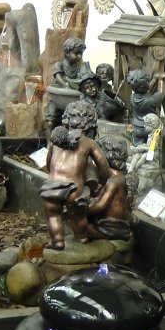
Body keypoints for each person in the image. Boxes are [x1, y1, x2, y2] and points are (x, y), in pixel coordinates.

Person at [41, 101, 111, 250]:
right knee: (78, 215)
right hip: (75, 188)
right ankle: (82, 237)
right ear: (91, 123)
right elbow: (103, 167)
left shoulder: (55, 141)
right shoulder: (89, 143)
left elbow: (48, 164)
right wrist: (101, 183)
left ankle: (57, 241)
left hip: (52, 186)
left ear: (66, 119)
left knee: (52, 214)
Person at [88, 135, 137, 240]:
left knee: (83, 226)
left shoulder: (114, 181)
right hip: (118, 224)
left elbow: (99, 205)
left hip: (110, 226)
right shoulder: (121, 177)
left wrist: (79, 210)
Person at [45, 37, 94, 130]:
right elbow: (59, 77)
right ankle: (50, 138)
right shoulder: (59, 65)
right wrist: (67, 84)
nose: (79, 56)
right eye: (76, 53)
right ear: (66, 53)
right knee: (51, 121)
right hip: (57, 98)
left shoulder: (78, 69)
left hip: (70, 99)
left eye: (81, 54)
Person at [127, 69, 165, 145]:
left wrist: (154, 79)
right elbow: (160, 94)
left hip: (136, 128)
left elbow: (146, 90)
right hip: (149, 129)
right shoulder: (150, 100)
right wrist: (161, 80)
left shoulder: (132, 97)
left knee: (138, 146)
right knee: (151, 147)